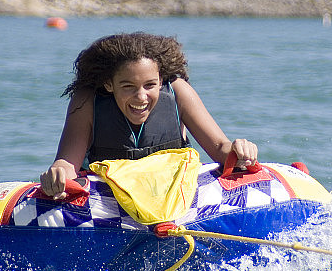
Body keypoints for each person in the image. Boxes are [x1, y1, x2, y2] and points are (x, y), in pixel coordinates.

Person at [41, 32, 258, 198]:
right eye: (128, 86)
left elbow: (220, 148)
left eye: (150, 85)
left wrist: (239, 151)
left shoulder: (178, 92)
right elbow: (67, 163)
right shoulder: (87, 101)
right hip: (108, 201)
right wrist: (58, 174)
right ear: (109, 84)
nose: (141, 97)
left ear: (161, 80)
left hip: (173, 195)